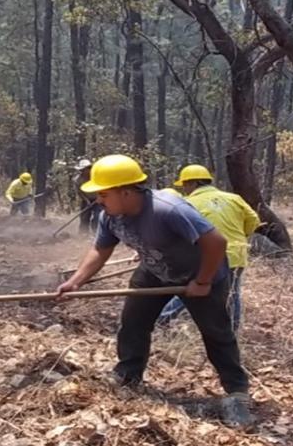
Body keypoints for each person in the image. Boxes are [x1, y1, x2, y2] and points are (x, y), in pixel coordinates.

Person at [56, 154, 253, 427]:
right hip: (154, 271)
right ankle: (128, 374)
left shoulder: (168, 209)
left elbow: (216, 242)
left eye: (103, 194)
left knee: (216, 333)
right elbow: (100, 250)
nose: (98, 200)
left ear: (126, 192)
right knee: (133, 323)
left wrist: (204, 281)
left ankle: (237, 392)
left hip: (200, 275)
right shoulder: (110, 216)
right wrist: (76, 281)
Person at [159, 165, 261, 332]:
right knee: (232, 293)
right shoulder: (234, 198)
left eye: (185, 184)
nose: (184, 189)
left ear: (192, 183)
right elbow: (254, 220)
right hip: (237, 254)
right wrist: (241, 236)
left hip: (208, 256)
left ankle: (162, 319)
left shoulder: (188, 203)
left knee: (191, 289)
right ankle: (232, 329)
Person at [75, 159, 101, 234]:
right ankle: (83, 234)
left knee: (97, 216)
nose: (83, 172)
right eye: (81, 170)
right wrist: (87, 201)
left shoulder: (96, 177)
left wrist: (100, 197)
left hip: (98, 199)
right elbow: (79, 192)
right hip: (86, 199)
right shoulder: (78, 180)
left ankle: (96, 233)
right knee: (84, 217)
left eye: (85, 169)